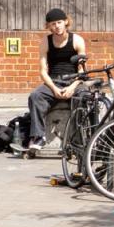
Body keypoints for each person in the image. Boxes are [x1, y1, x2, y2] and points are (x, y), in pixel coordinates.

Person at [26, 8, 87, 150]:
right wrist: (53, 88)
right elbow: (43, 71)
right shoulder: (46, 42)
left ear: (66, 22)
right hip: (54, 81)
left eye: (59, 22)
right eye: (52, 24)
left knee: (85, 97)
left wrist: (72, 87)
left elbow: (82, 71)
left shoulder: (77, 40)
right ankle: (38, 137)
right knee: (35, 96)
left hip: (74, 81)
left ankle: (80, 137)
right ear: (48, 26)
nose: (57, 26)